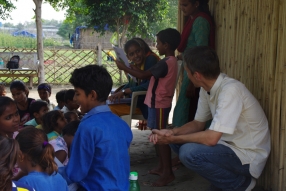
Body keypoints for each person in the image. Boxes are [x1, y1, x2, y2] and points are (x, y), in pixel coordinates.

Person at [149, 46, 271, 191]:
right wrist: (172, 133)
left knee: (188, 152)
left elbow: (211, 138)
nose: (186, 75)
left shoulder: (230, 90)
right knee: (179, 142)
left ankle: (240, 185)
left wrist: (173, 138)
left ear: (197, 75)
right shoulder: (207, 88)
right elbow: (198, 123)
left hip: (248, 156)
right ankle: (223, 183)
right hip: (228, 146)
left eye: (187, 72)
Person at [115, 28, 181, 187]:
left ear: (166, 45)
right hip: (157, 103)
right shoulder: (168, 61)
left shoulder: (166, 62)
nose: (156, 46)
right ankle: (162, 167)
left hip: (159, 103)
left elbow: (145, 76)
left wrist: (124, 68)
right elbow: (145, 73)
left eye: (158, 43)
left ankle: (168, 173)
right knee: (157, 134)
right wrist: (131, 68)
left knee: (161, 137)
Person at [63, 65, 132, 190]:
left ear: (92, 95)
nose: (74, 98)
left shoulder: (87, 127)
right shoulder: (121, 124)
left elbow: (75, 173)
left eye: (77, 94)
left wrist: (52, 172)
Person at [173, 0, 215, 127]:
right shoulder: (193, 19)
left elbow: (201, 52)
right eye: (180, 5)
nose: (181, 8)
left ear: (196, 4)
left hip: (196, 73)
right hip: (191, 70)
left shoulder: (200, 21)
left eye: (185, 5)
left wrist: (193, 83)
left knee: (190, 110)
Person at [108, 38, 160, 120]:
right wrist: (119, 92)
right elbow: (133, 83)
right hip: (135, 102)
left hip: (145, 105)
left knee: (109, 110)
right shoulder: (134, 65)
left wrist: (125, 91)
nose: (136, 55)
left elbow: (149, 84)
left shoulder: (150, 59)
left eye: (138, 51)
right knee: (107, 105)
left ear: (143, 50)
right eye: (131, 54)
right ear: (128, 57)